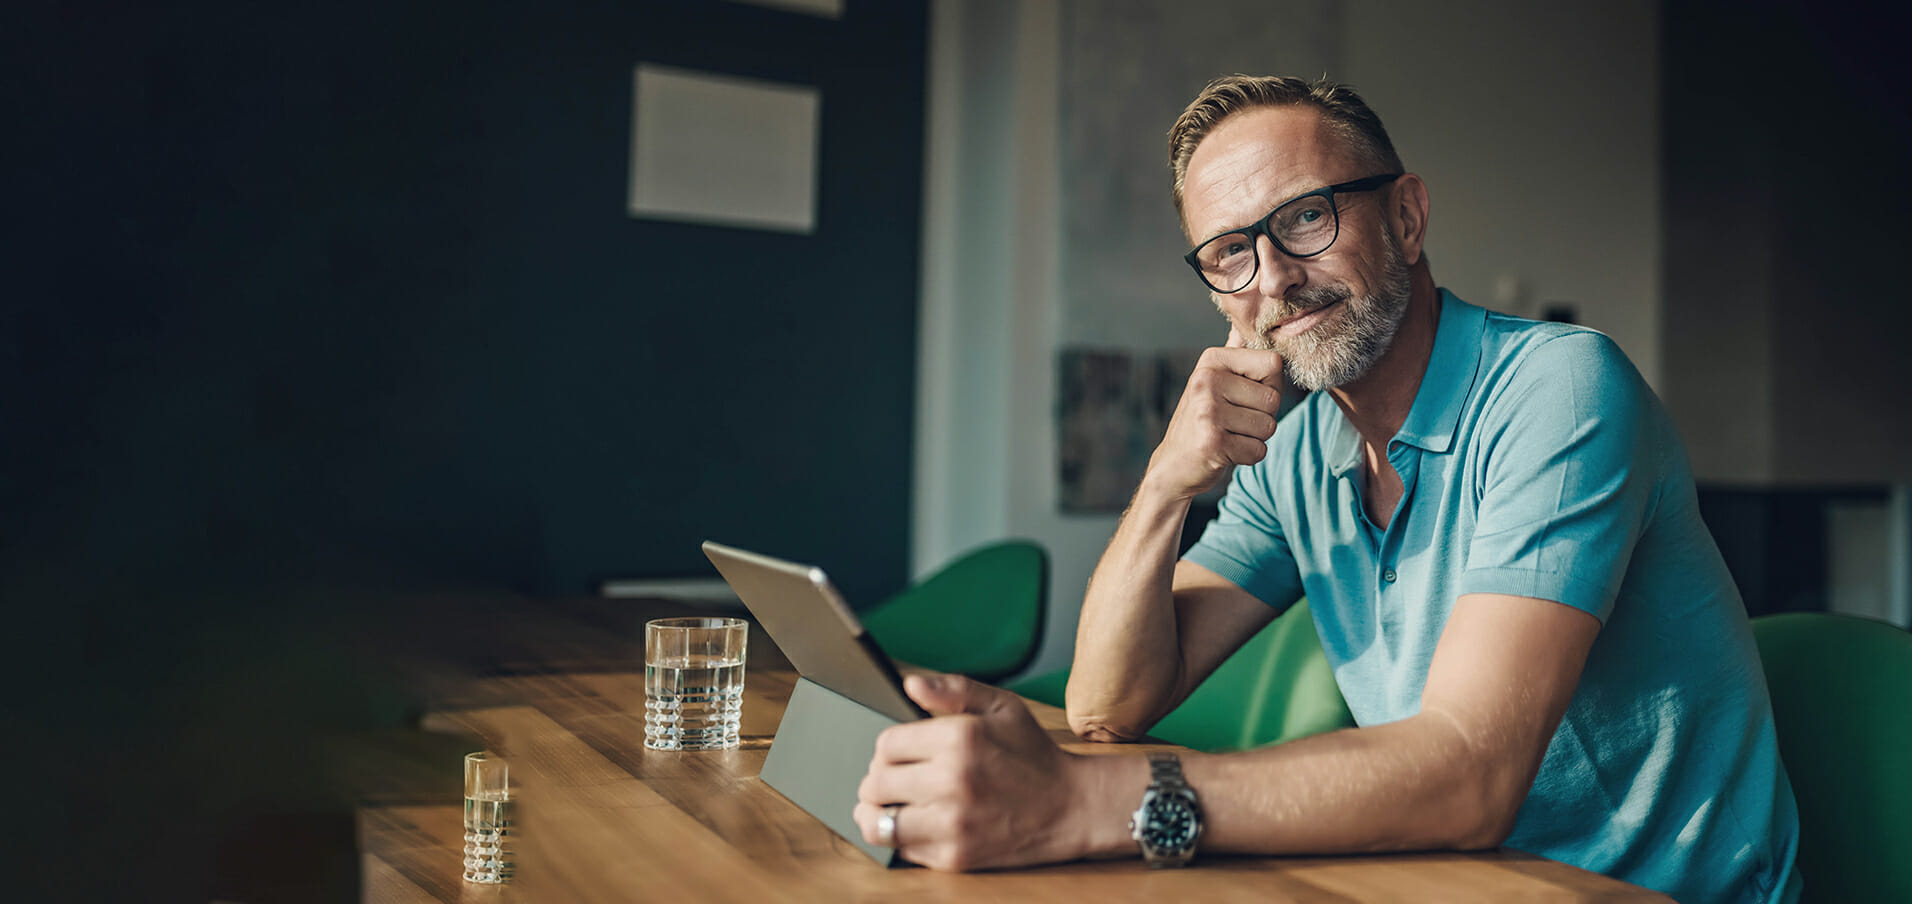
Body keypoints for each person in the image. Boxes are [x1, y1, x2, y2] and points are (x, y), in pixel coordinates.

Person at [853, 75, 1800, 904]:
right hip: (1447, 880)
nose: (1274, 279)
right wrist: (1164, 486)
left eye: (1306, 217)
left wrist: (1087, 802)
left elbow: (1472, 771)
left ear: (1407, 216)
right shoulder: (1302, 452)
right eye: (1229, 251)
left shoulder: (1560, 390)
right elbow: (1110, 704)